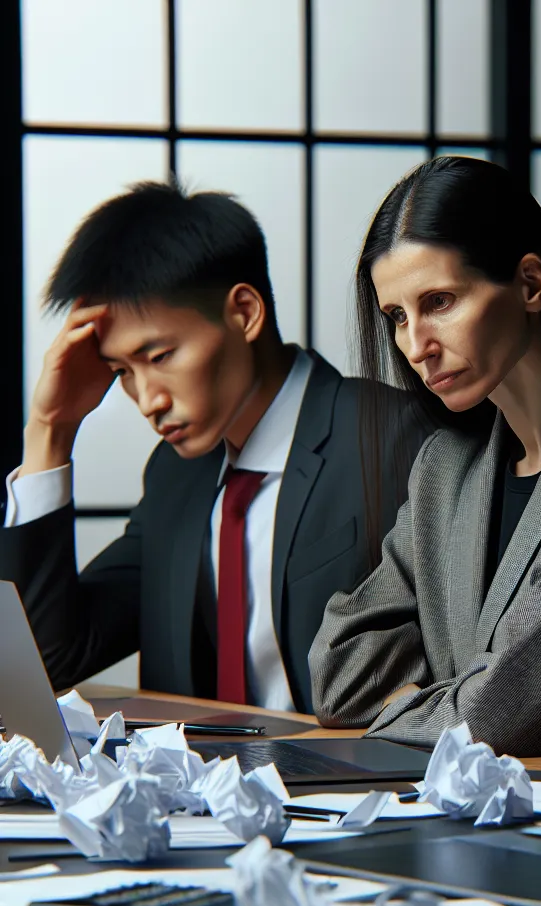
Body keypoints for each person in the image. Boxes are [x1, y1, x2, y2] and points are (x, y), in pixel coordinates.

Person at [0, 180, 422, 713]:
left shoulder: (395, 441)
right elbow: (46, 663)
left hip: (361, 787)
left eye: (159, 356)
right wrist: (50, 429)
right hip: (200, 792)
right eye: (121, 371)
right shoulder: (176, 476)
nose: (146, 399)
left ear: (244, 312)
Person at [309, 155, 541, 755]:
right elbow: (340, 673)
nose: (416, 346)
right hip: (452, 810)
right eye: (397, 317)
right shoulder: (445, 467)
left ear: (530, 284)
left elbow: (495, 717)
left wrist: (414, 699)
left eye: (441, 302)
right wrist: (454, 699)